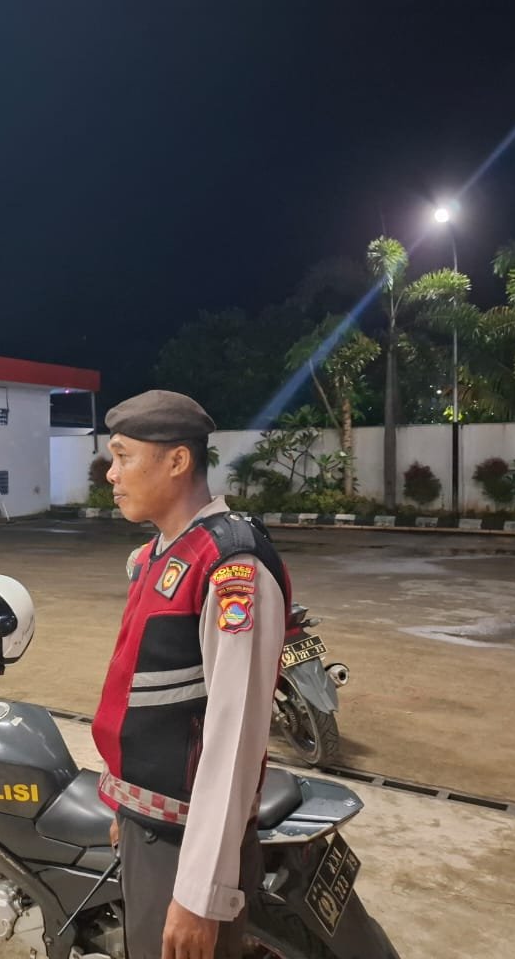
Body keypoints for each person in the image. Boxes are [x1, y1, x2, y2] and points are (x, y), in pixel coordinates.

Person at [91, 390, 290, 959]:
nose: (111, 474)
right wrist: (127, 809)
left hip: (187, 846)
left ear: (177, 461)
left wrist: (202, 893)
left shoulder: (230, 565)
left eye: (123, 456)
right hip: (153, 829)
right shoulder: (161, 552)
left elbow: (233, 738)